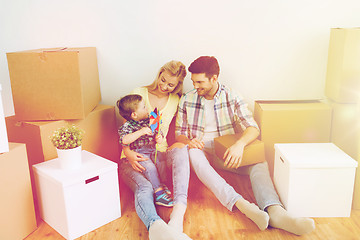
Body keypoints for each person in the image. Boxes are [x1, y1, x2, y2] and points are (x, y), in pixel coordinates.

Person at [175, 56, 315, 235]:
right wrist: (189, 141)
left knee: (259, 162)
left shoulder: (231, 96)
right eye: (193, 81)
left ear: (214, 78)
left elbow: (252, 128)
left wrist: (239, 145)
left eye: (200, 82)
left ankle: (276, 212)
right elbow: (178, 133)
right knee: (192, 153)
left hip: (226, 152)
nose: (195, 86)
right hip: (202, 152)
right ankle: (241, 204)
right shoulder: (187, 99)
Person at [118, 60, 191, 240]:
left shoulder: (176, 99)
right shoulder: (138, 93)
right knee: (144, 188)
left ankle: (178, 213)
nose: (164, 86)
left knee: (181, 151)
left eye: (171, 84)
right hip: (134, 156)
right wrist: (127, 152)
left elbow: (178, 130)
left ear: (177, 86)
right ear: (159, 74)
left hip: (160, 156)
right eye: (163, 79)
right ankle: (156, 226)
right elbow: (125, 130)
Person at [117, 94, 173, 207]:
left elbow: (158, 131)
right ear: (134, 114)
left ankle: (160, 184)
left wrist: (159, 138)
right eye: (144, 107)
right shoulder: (127, 126)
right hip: (140, 153)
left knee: (160, 163)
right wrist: (141, 132)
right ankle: (158, 192)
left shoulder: (149, 120)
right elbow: (124, 140)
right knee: (150, 168)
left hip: (152, 150)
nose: (147, 108)